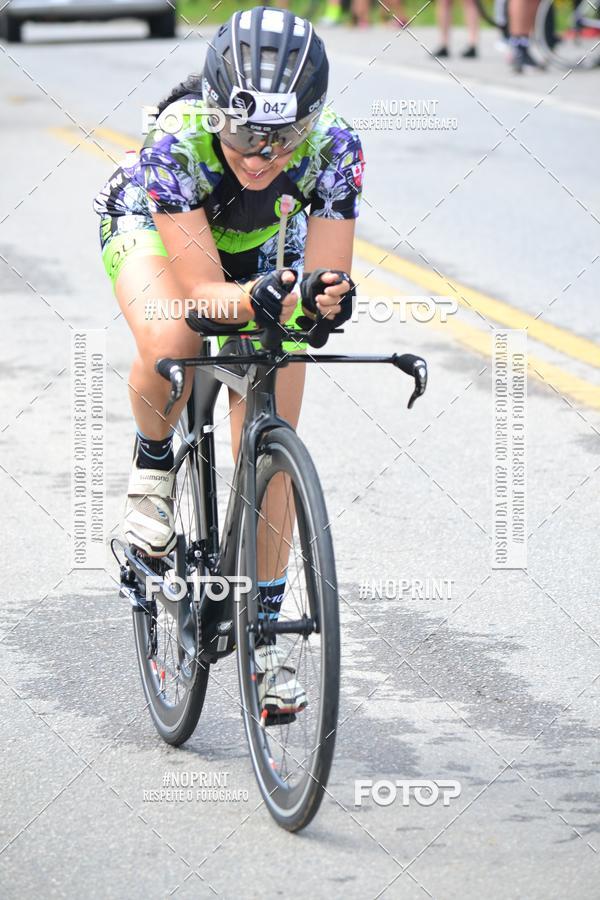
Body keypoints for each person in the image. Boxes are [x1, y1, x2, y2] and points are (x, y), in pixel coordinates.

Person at [93, 6, 364, 712]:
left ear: (312, 119)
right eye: (245, 130)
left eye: (284, 134)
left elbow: (323, 279)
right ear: (217, 112)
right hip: (158, 236)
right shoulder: (178, 143)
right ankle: (154, 471)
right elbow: (202, 294)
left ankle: (265, 632)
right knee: (173, 341)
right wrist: (257, 302)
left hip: (261, 247)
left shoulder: (336, 148)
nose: (262, 152)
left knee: (268, 430)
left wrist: (322, 301)